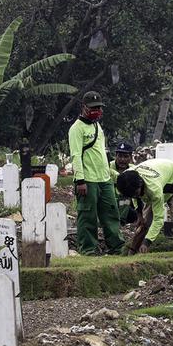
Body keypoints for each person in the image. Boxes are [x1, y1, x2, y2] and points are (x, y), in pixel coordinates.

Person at [68, 92, 124, 255]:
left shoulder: (96, 126)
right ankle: (88, 249)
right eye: (93, 108)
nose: (97, 110)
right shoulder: (76, 129)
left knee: (111, 214)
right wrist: (80, 180)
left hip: (104, 178)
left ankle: (117, 247)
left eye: (99, 107)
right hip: (88, 180)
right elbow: (76, 155)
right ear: (83, 107)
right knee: (88, 216)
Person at [115, 157, 173, 252]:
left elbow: (158, 219)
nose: (134, 196)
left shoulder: (154, 190)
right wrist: (139, 214)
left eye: (136, 193)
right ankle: (133, 249)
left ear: (140, 184)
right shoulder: (127, 177)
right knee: (144, 222)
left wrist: (147, 242)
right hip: (159, 174)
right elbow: (135, 197)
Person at [109, 141, 139, 225]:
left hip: (127, 203)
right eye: (120, 156)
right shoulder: (108, 166)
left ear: (130, 157)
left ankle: (121, 220)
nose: (122, 160)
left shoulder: (134, 170)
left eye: (126, 157)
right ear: (115, 156)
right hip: (110, 201)